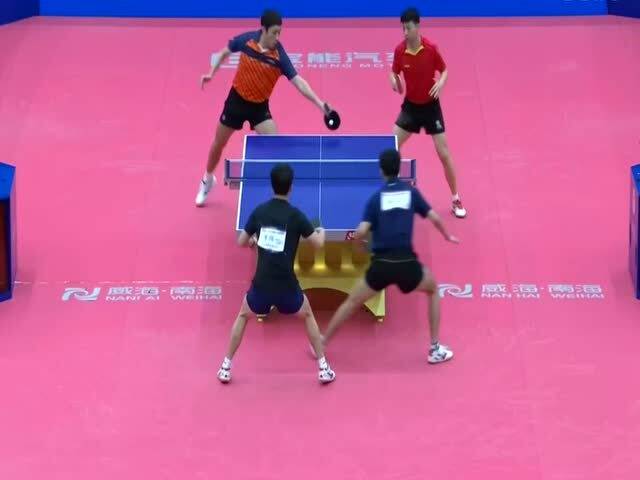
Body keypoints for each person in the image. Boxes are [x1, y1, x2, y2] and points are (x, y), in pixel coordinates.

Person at [319, 149, 458, 364]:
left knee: (352, 301)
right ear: (399, 169)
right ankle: (434, 348)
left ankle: (322, 343)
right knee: (432, 290)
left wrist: (359, 246)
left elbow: (360, 232)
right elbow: (434, 217)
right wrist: (447, 235)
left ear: (381, 171)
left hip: (381, 265)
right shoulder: (411, 193)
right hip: (406, 263)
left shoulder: (376, 199)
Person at [196, 9, 335, 206]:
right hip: (236, 101)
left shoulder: (279, 55)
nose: (277, 37)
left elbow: (299, 82)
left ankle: (279, 197)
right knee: (218, 143)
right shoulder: (247, 41)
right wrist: (211, 73)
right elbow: (225, 51)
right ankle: (207, 180)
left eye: (280, 33)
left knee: (276, 148)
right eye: (274, 32)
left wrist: (321, 105)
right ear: (264, 29)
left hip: (259, 108)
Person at [216, 163, 336, 384]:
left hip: (262, 284)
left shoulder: (259, 212)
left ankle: (225, 367)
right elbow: (318, 243)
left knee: (243, 316)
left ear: (272, 186)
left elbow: (241, 241)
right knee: (307, 314)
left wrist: (254, 240)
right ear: (291, 187)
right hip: (286, 285)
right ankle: (323, 368)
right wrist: (321, 230)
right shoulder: (296, 216)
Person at [390, 7, 467, 219]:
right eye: (403, 28)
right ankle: (396, 191)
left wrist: (440, 84)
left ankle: (456, 198)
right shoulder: (400, 50)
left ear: (418, 26)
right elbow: (393, 73)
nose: (405, 32)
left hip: (431, 107)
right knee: (392, 146)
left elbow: (445, 70)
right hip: (411, 107)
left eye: (408, 28)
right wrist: (394, 81)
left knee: (444, 154)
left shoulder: (431, 49)